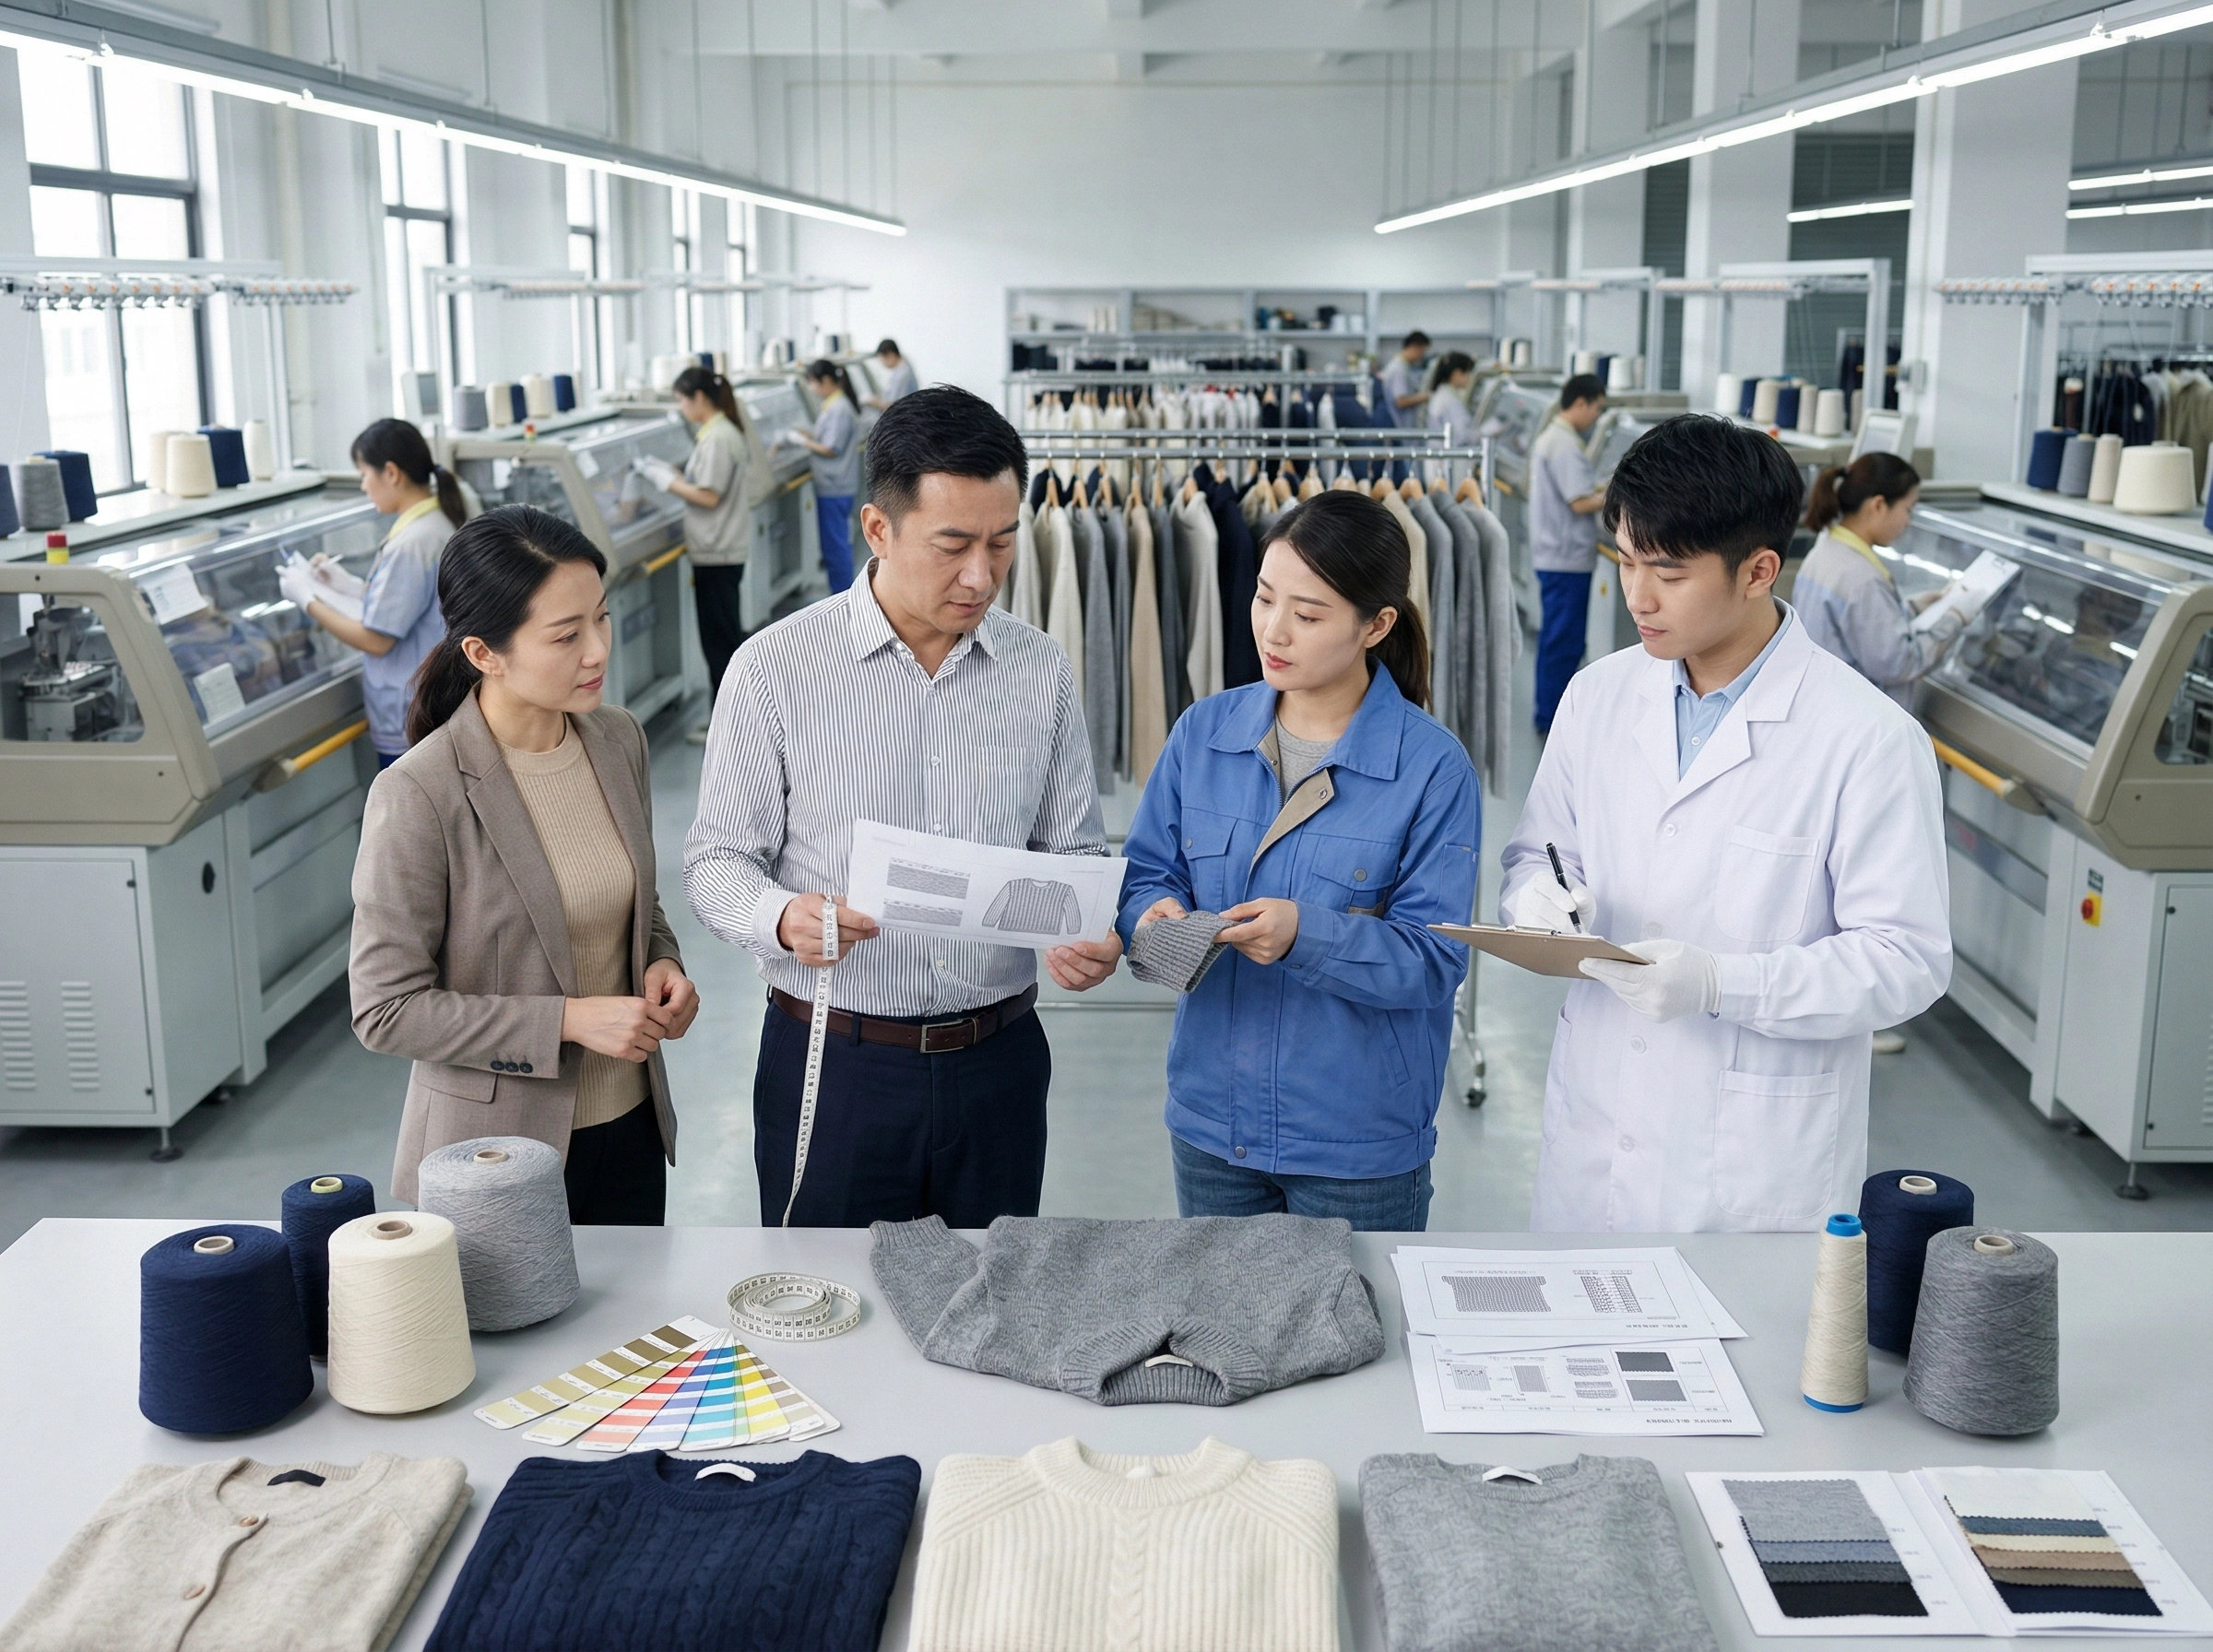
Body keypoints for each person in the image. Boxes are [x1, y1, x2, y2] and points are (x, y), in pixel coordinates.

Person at [1498, 415, 1951, 1233]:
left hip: (1749, 1166)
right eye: (1628, 561)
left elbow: (1906, 960)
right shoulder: (1598, 696)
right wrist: (1534, 898)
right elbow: (1540, 849)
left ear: (1759, 571)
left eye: (1668, 572)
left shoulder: (1866, 739)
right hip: (1594, 1130)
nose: (1637, 595)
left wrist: (1722, 983)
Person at [685, 384, 1121, 1229]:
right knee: (827, 1315)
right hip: (834, 1059)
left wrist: (1086, 931)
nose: (981, 575)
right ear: (877, 529)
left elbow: (1075, 851)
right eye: (953, 545)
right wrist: (784, 917)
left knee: (989, 1314)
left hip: (998, 1061)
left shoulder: (1041, 671)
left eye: (1002, 544)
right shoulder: (774, 669)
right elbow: (716, 865)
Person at [1118, 490, 1478, 1230]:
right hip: (1212, 1127)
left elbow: (1433, 960)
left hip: (1356, 1144)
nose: (1273, 630)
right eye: (1263, 598)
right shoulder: (1203, 733)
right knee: (1219, 1333)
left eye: (1309, 615)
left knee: (1359, 1341)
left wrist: (1302, 934)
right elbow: (1147, 872)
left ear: (1377, 625)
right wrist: (1149, 916)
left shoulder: (1432, 769)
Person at [351, 505, 700, 1224]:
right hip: (493, 1159)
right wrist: (566, 1022)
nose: (598, 650)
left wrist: (662, 960)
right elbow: (385, 1010)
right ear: (484, 653)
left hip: (630, 1126)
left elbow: (633, 899)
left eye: (600, 619)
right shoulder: (420, 791)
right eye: (567, 636)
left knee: (632, 1333)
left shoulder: (618, 740)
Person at [280, 418, 464, 766]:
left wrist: (307, 599)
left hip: (410, 714)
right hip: (430, 705)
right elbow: (409, 600)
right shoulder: (432, 525)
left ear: (391, 473)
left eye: (365, 473)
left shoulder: (413, 542)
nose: (364, 486)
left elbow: (377, 640)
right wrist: (347, 585)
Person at [649, 365, 753, 746]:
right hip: (720, 549)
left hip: (718, 551)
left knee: (720, 644)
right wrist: (676, 472)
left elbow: (709, 495)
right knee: (722, 639)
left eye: (681, 399)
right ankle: (728, 719)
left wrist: (669, 482)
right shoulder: (717, 432)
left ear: (698, 398)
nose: (680, 408)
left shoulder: (717, 438)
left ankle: (728, 726)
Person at [1528, 372, 1609, 735]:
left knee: (1555, 639)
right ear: (1581, 403)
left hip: (1556, 554)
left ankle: (1547, 712)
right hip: (1565, 558)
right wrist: (1616, 494)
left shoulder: (1555, 438)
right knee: (1563, 642)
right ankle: (1552, 719)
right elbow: (1579, 502)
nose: (1595, 417)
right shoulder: (1564, 444)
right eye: (1596, 409)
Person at [791, 360, 861, 592]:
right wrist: (809, 435)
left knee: (835, 545)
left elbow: (831, 448)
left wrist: (802, 441)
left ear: (827, 381)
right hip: (836, 484)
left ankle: (842, 595)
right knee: (836, 542)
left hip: (835, 486)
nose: (811, 389)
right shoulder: (834, 406)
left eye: (812, 383)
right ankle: (841, 592)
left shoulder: (839, 408)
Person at [1380, 330, 1431, 427]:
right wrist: (1425, 396)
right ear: (1413, 346)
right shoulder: (1399, 369)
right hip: (1400, 425)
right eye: (1422, 351)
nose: (1422, 356)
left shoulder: (1403, 366)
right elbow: (1401, 402)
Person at [866, 338, 917, 409]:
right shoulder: (904, 366)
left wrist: (874, 402)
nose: (882, 363)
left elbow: (892, 406)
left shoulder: (901, 376)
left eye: (882, 359)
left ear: (891, 355)